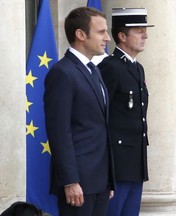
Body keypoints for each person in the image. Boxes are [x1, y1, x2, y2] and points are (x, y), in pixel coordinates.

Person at [44, 7, 115, 216]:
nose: (108, 38)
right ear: (81, 34)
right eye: (101, 32)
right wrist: (70, 180)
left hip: (99, 181)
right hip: (78, 184)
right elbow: (59, 132)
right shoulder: (62, 73)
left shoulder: (94, 70)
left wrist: (108, 178)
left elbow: (99, 127)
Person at [98, 8, 154, 216]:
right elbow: (100, 115)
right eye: (139, 31)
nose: (145, 35)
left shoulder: (137, 68)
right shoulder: (110, 67)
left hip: (135, 160)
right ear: (122, 36)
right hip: (117, 163)